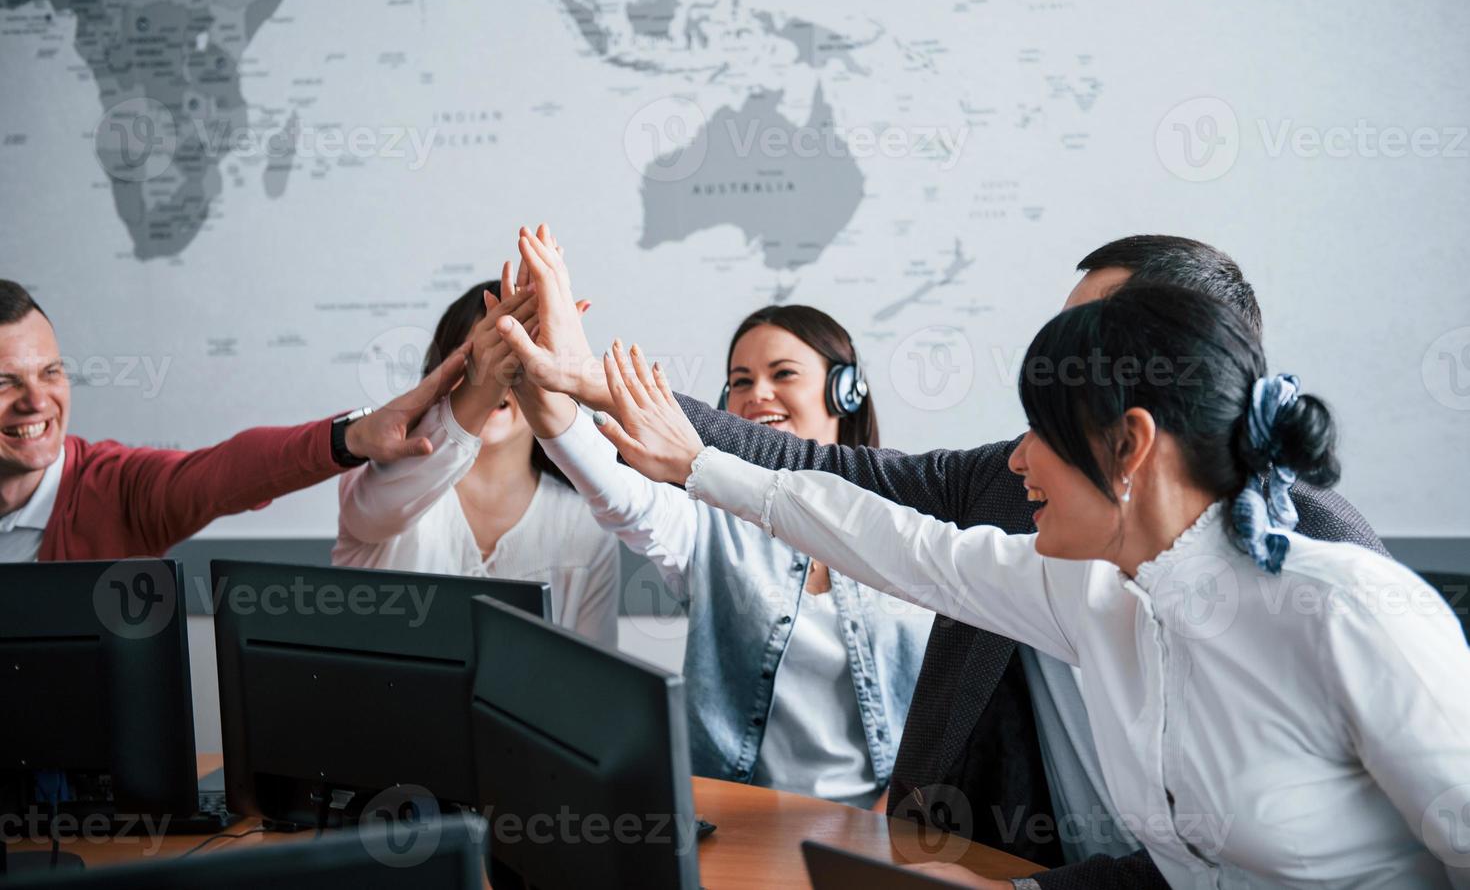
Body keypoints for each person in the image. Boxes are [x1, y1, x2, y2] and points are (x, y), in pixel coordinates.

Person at [497, 230, 1389, 887]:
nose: (1018, 453)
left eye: (1087, 350)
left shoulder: (1337, 583)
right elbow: (887, 530)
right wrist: (609, 400)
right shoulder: (1074, 577)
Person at [515, 295, 931, 806]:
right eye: (740, 381)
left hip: (887, 828)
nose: (758, 394)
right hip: (743, 823)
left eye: (783, 374)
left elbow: (948, 706)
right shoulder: (708, 525)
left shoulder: (907, 521)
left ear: (845, 393)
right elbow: (614, 489)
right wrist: (534, 379)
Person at [0, 279, 486, 563]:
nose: (36, 400)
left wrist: (352, 435)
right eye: (6, 382)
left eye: (51, 372)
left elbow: (229, 471)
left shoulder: (115, 491)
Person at [333, 275, 619, 646]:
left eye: (516, 358)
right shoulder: (384, 489)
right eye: (479, 356)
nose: (497, 378)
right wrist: (478, 392)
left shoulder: (585, 528)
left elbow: (593, 687)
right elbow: (374, 510)